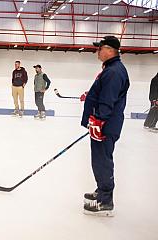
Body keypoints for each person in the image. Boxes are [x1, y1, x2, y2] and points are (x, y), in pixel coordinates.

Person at [81, 36, 130, 216]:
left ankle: (105, 201)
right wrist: (90, 95)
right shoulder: (111, 69)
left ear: (110, 50)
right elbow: (105, 94)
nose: (97, 52)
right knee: (98, 160)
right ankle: (102, 191)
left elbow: (108, 100)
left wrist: (99, 121)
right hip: (102, 124)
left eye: (99, 48)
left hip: (105, 125)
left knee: (102, 161)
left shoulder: (114, 71)